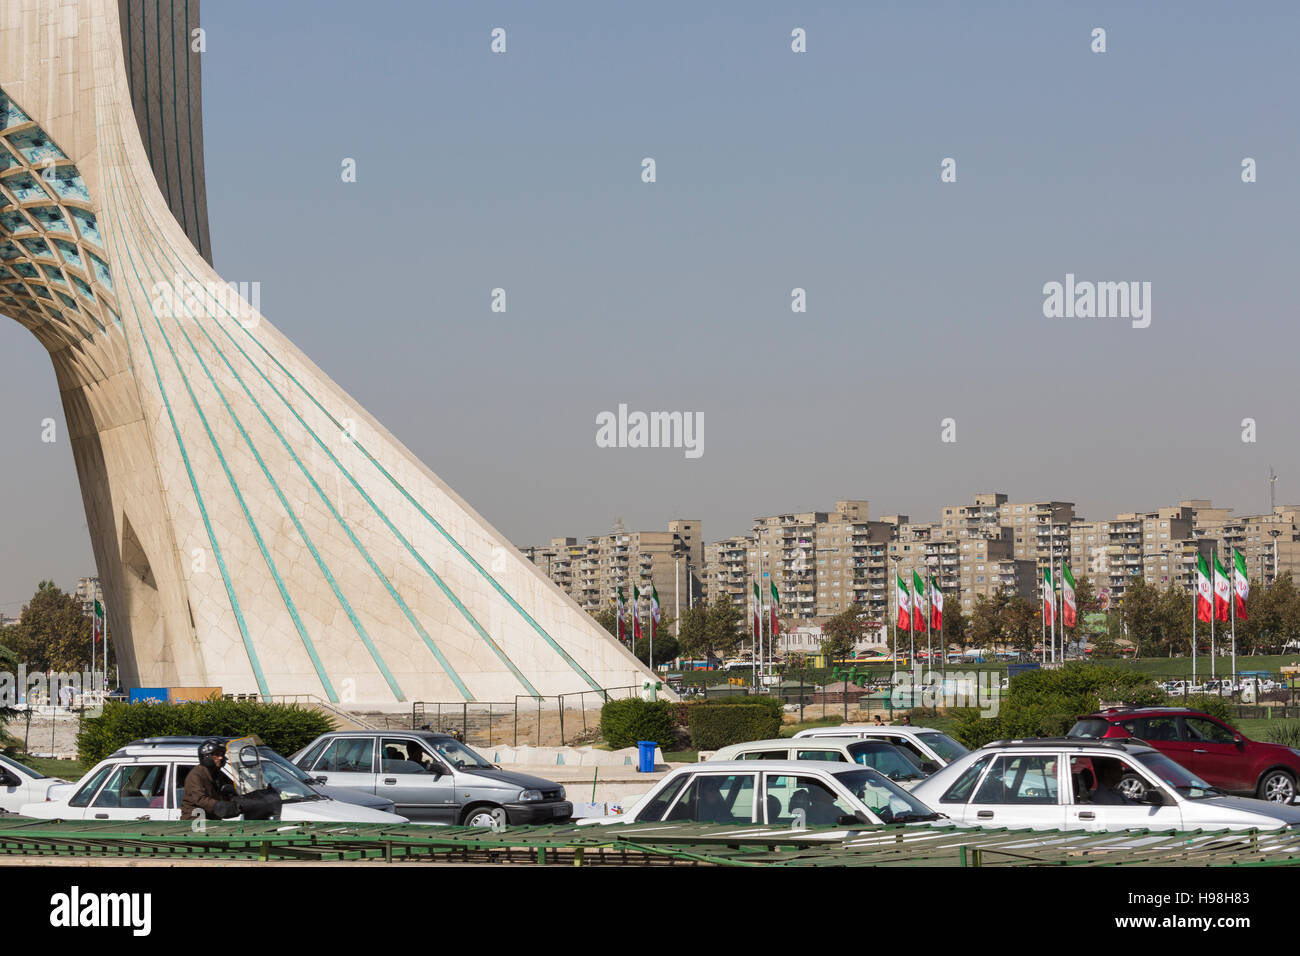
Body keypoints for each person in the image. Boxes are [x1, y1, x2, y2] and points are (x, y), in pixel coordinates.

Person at [181, 738, 240, 821]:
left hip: (211, 819)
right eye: (217, 754)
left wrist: (233, 799)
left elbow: (220, 795)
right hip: (195, 820)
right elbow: (200, 799)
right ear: (207, 755)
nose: (220, 758)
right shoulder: (196, 775)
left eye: (222, 755)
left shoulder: (216, 774)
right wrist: (219, 806)